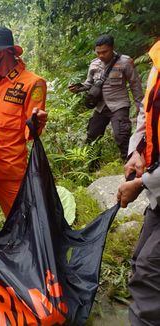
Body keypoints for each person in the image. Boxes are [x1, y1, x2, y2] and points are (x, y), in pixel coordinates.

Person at [0, 26, 48, 217]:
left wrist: (36, 123)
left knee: (22, 222)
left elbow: (31, 135)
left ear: (1, 53)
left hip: (9, 170)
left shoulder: (33, 83)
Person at [117, 40, 160, 326]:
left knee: (149, 269)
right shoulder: (157, 59)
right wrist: (137, 151)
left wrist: (143, 183)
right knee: (140, 261)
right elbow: (148, 112)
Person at [69, 34, 143, 162]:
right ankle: (93, 167)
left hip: (119, 105)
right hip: (101, 107)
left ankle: (130, 164)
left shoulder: (125, 62)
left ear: (112, 48)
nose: (101, 55)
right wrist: (78, 88)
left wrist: (140, 106)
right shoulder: (94, 65)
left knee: (121, 135)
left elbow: (135, 84)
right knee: (92, 135)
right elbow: (89, 83)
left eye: (104, 52)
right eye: (98, 52)